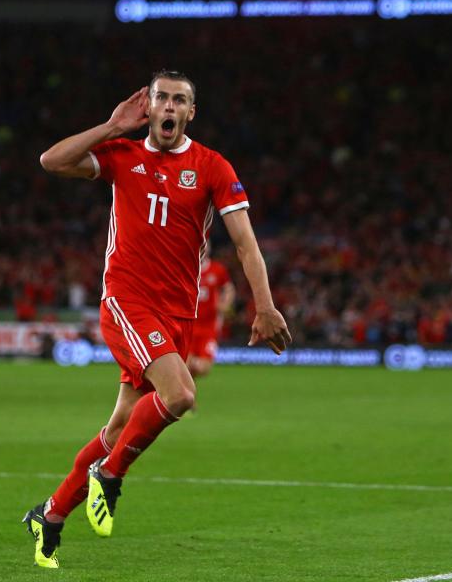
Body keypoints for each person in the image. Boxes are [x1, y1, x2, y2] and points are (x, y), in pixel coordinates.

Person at [22, 71, 291, 569]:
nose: (169, 106)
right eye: (161, 97)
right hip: (127, 301)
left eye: (180, 100)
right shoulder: (122, 156)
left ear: (191, 113)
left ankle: (52, 514)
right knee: (182, 394)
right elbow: (50, 161)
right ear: (148, 106)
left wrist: (265, 304)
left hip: (177, 313)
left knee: (119, 425)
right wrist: (109, 126)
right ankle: (111, 475)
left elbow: (245, 242)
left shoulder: (211, 166)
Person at [187, 251, 235, 380]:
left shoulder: (217, 269)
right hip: (188, 327)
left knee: (203, 369)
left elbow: (229, 288)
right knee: (185, 368)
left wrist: (225, 304)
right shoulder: (186, 267)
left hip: (209, 328)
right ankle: (186, 398)